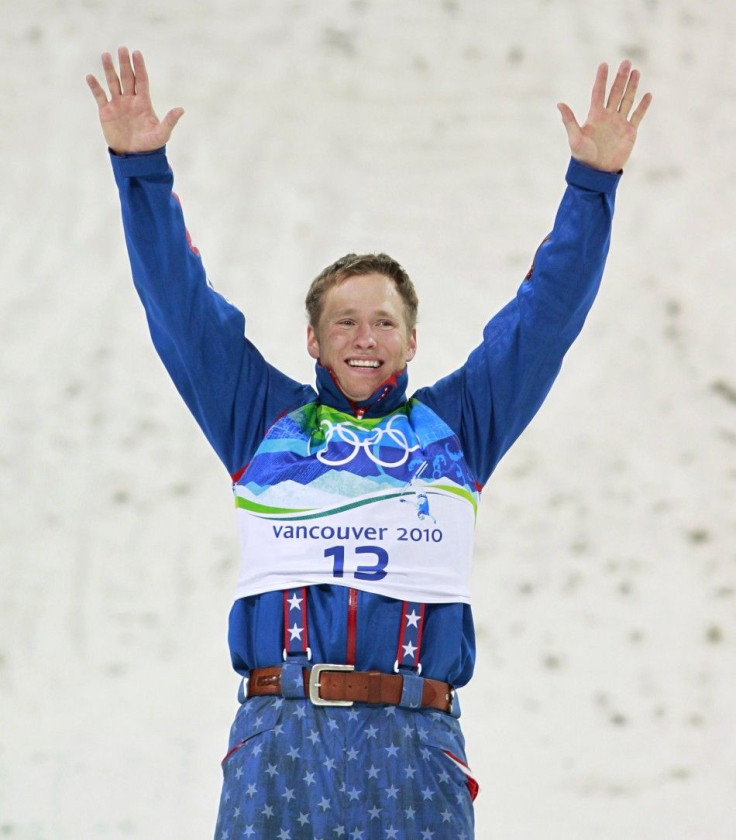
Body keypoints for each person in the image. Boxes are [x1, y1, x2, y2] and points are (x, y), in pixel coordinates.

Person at [87, 47, 651, 839]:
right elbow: (179, 308)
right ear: (312, 342)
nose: (364, 338)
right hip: (280, 738)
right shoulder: (260, 420)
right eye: (343, 322)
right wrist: (140, 169)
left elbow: (543, 319)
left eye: (383, 321)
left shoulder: (456, 430)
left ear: (412, 340)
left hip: (417, 743)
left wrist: (592, 187)